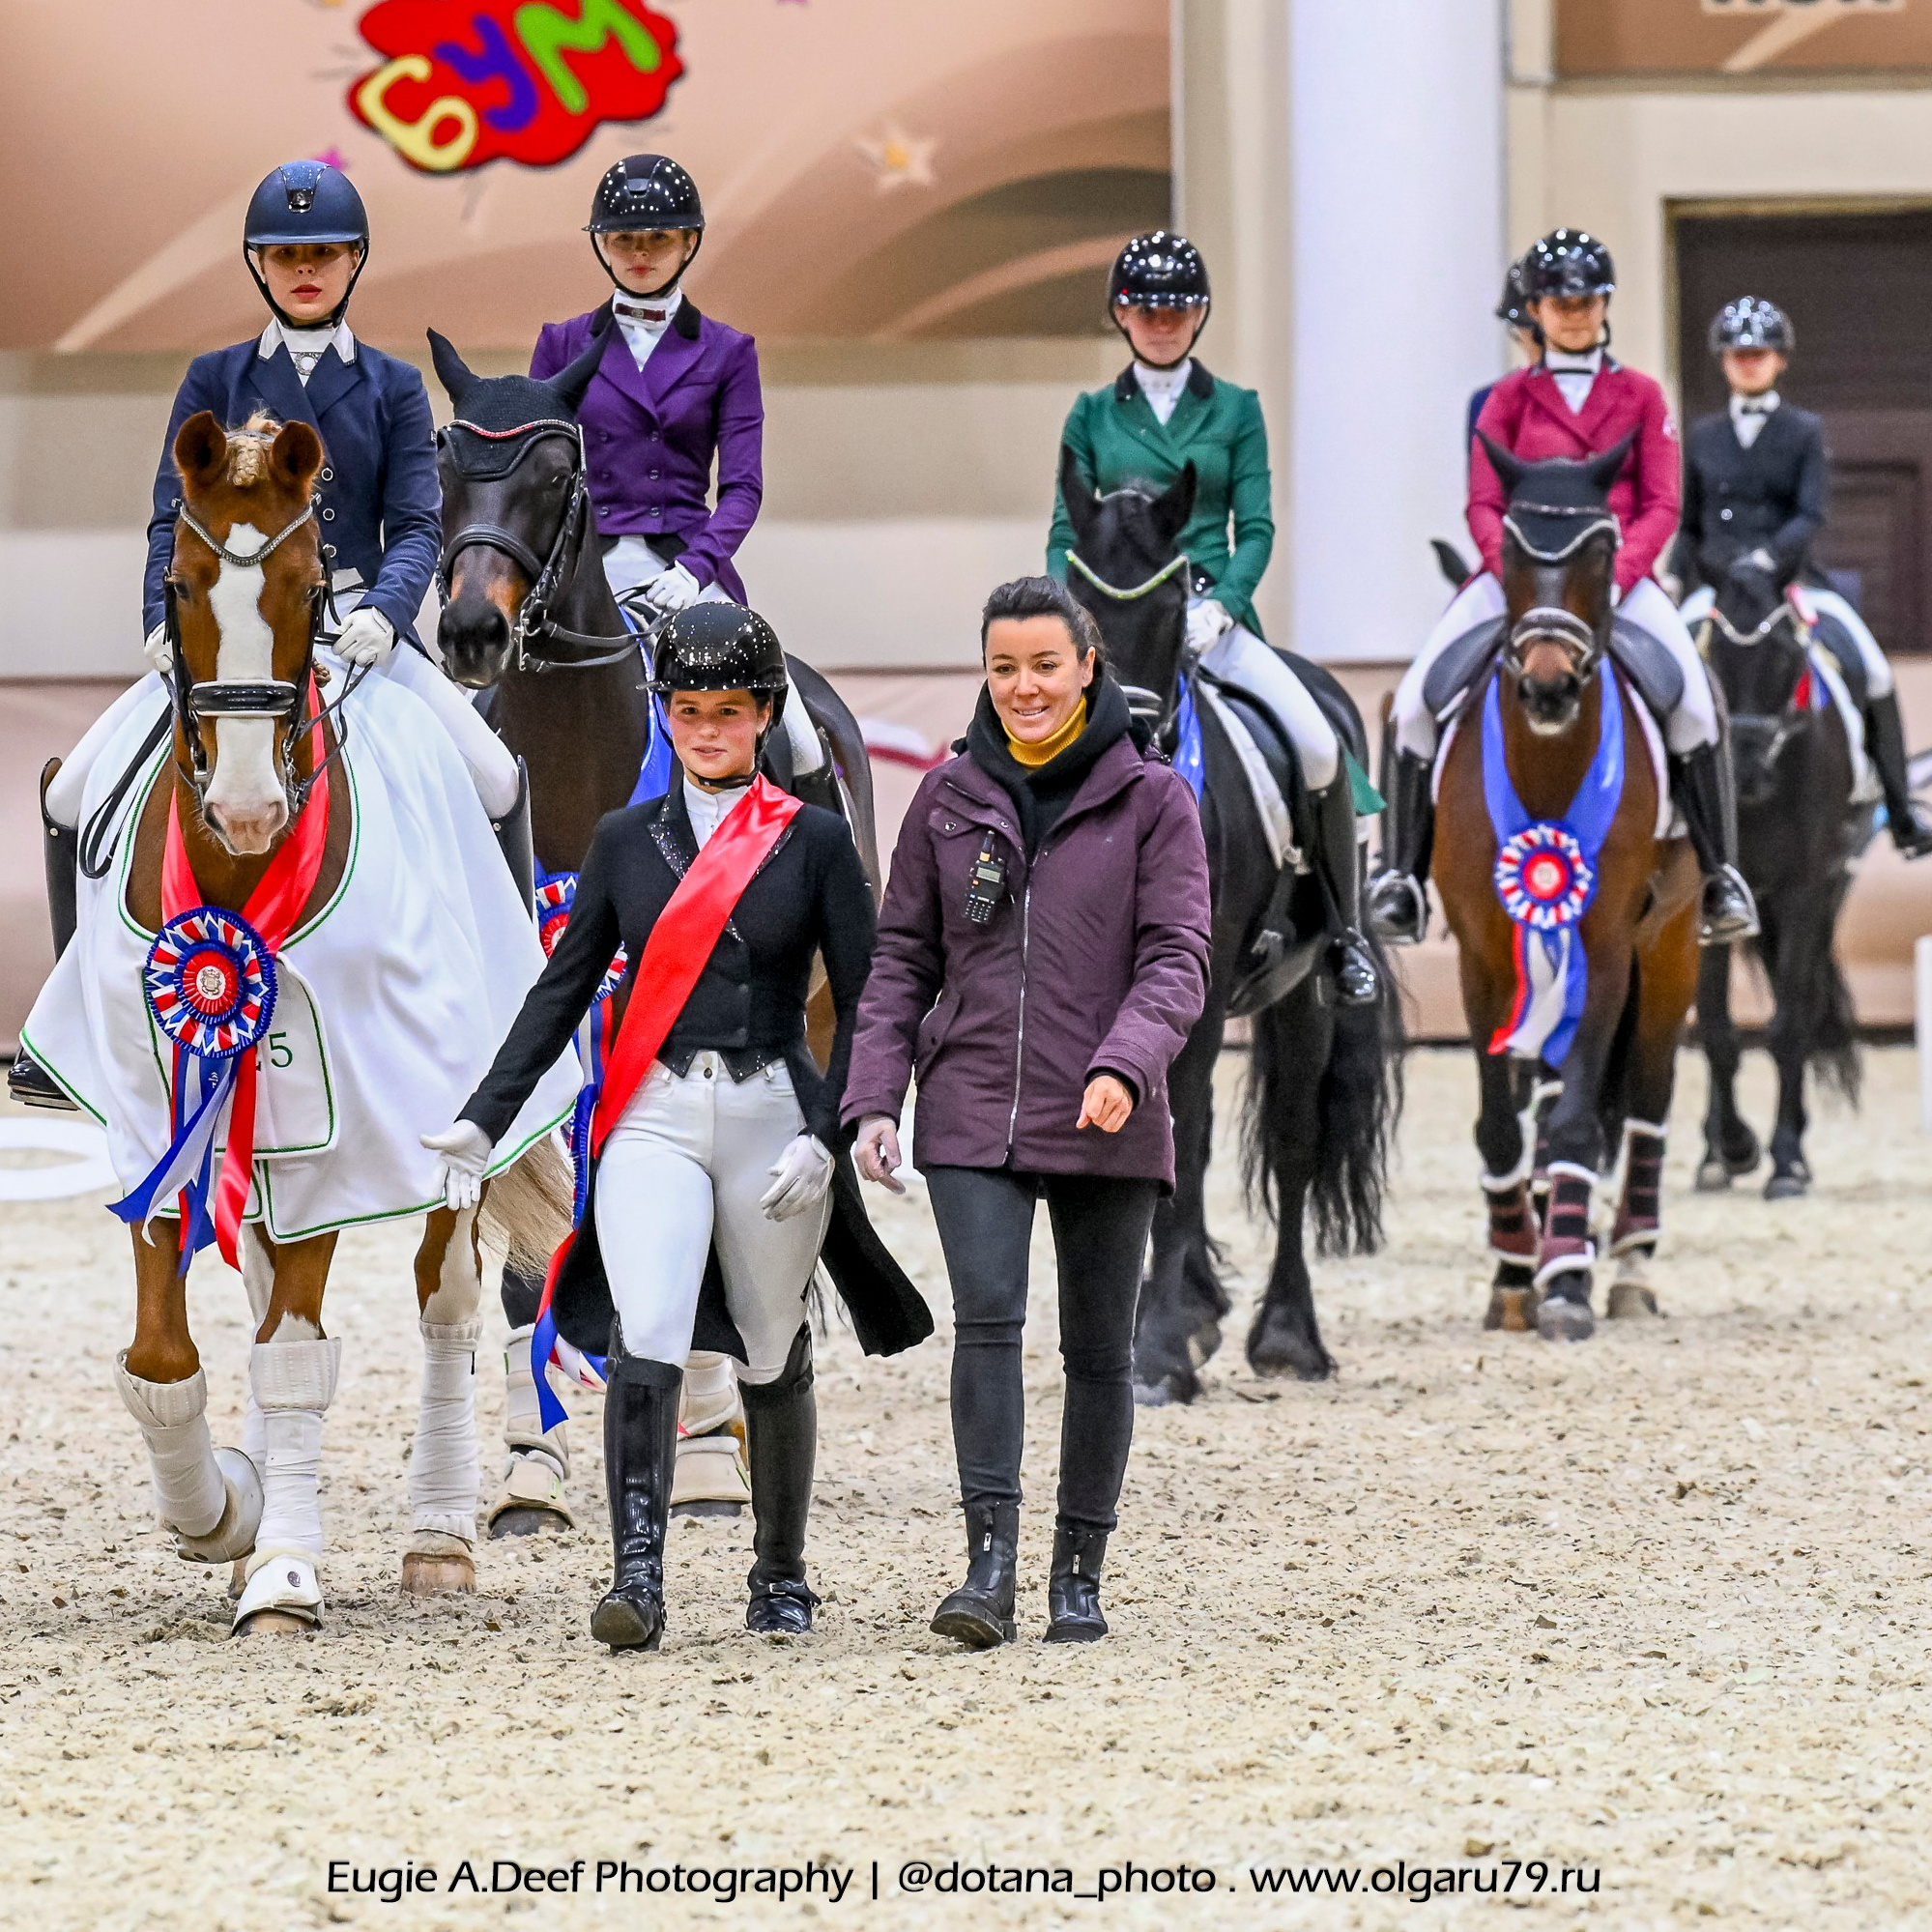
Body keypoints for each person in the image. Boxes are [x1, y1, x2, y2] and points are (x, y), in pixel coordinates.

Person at [423, 603, 928, 1651]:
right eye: (688, 710)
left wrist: (829, 1135)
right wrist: (482, 1121)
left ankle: (780, 1574)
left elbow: (873, 1003)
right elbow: (558, 994)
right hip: (654, 1112)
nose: (706, 731)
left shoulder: (818, 842)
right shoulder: (623, 842)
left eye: (728, 712)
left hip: (770, 1113)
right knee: (647, 1328)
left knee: (772, 1337)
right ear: (666, 713)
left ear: (761, 717)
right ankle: (636, 1574)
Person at [14, 159, 525, 1109]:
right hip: (228, 639)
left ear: (354, 262)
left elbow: (417, 522)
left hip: (359, 629)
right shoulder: (215, 376)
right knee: (75, 790)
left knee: (496, 776)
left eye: (322, 254)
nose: (304, 270)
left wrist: (382, 613)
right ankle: (73, 1030)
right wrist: (158, 624)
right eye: (285, 253)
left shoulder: (392, 385)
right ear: (259, 264)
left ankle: (511, 1004)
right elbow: (173, 519)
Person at [844, 577, 1212, 1648]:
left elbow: (1177, 958)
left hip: (1108, 1109)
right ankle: (988, 1569)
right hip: (969, 1106)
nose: (1024, 688)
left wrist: (1127, 1063)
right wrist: (874, 1094)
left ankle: (1078, 1574)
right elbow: (902, 956)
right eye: (1003, 668)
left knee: (1098, 1350)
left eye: (1045, 665)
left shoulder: (1155, 800)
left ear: (1088, 665)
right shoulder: (948, 797)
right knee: (988, 1323)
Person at [1371, 226, 1758, 948]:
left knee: (1698, 705)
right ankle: (1400, 877)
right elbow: (1482, 501)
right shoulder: (1506, 399)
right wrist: (1506, 570)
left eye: (1584, 300)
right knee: (1419, 700)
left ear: (1603, 303)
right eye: (1557, 302)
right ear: (1537, 310)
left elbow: (1661, 503)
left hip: (1614, 576)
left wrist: (1616, 575)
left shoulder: (1641, 394)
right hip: (1517, 578)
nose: (1572, 313)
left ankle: (1719, 874)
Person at [1047, 231, 1378, 1007]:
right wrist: (1073, 624)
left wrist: (1222, 605)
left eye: (1177, 309)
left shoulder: (1234, 409)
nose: (1162, 322)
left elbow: (1255, 526)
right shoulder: (1091, 414)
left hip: (1207, 617)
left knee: (1316, 742)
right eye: (1145, 308)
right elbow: (1067, 532)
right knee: (1017, 732)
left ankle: (1342, 932)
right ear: (1120, 315)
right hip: (1114, 624)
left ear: (1198, 316)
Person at [1667, 296, 1932, 856]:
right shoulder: (1705, 434)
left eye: (1758, 353)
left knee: (1871, 667)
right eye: (1738, 354)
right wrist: (1675, 577)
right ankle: (1663, 802)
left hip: (1790, 582)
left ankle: (1900, 811)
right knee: (1662, 670)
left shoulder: (1803, 430)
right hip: (1717, 586)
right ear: (1723, 361)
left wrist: (1768, 557)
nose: (1748, 363)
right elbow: (1688, 523)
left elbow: (1810, 513)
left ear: (1779, 360)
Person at [531, 154, 762, 623]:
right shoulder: (561, 344)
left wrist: (696, 569)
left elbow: (743, 489)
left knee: (757, 681)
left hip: (684, 559)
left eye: (659, 238)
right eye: (624, 239)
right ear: (602, 244)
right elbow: (534, 478)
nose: (640, 254)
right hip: (582, 558)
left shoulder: (729, 351)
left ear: (689, 241)